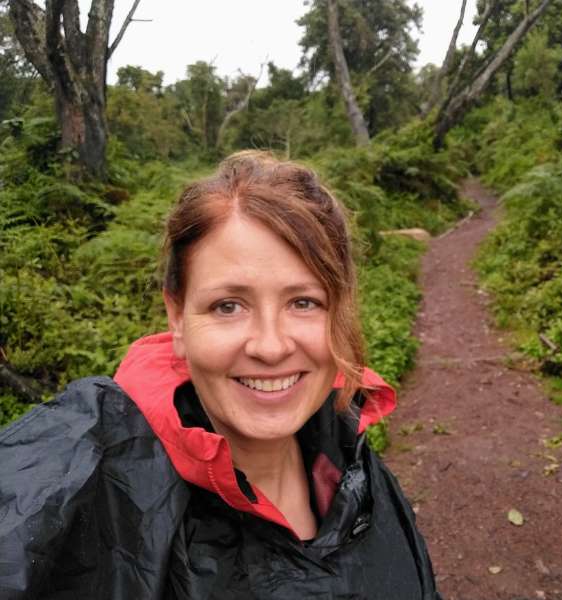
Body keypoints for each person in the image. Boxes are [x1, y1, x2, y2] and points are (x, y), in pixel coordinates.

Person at [0, 151, 441, 599]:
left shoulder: (351, 455)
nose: (270, 347)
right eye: (228, 306)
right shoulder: (88, 477)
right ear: (177, 318)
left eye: (304, 302)